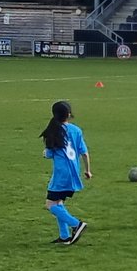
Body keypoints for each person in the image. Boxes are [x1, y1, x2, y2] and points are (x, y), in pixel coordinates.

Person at [40, 100, 90, 245]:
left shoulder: (54, 131)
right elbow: (84, 153)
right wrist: (87, 171)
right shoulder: (76, 130)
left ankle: (76, 224)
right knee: (59, 202)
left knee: (50, 204)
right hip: (73, 173)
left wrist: (45, 153)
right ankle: (64, 236)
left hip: (61, 175)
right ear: (69, 114)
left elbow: (49, 154)